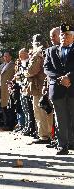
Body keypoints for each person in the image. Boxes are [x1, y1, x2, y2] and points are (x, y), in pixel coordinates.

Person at [44, 23, 74, 155]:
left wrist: (69, 77)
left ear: (73, 37)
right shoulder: (51, 51)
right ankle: (62, 145)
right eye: (62, 34)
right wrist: (61, 78)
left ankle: (72, 141)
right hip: (57, 88)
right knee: (60, 118)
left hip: (72, 87)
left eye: (67, 35)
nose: (64, 37)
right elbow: (47, 69)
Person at [25, 34, 53, 144]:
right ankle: (49, 135)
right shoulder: (47, 50)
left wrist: (25, 73)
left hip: (39, 86)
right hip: (45, 85)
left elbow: (32, 70)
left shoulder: (38, 52)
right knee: (47, 111)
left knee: (41, 112)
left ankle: (45, 136)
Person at [0, 51, 16, 131]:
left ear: (10, 57)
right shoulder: (2, 65)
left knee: (9, 107)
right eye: (4, 56)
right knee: (3, 107)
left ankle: (10, 125)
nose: (5, 58)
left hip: (8, 88)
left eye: (7, 56)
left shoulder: (13, 65)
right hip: (2, 89)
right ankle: (6, 124)